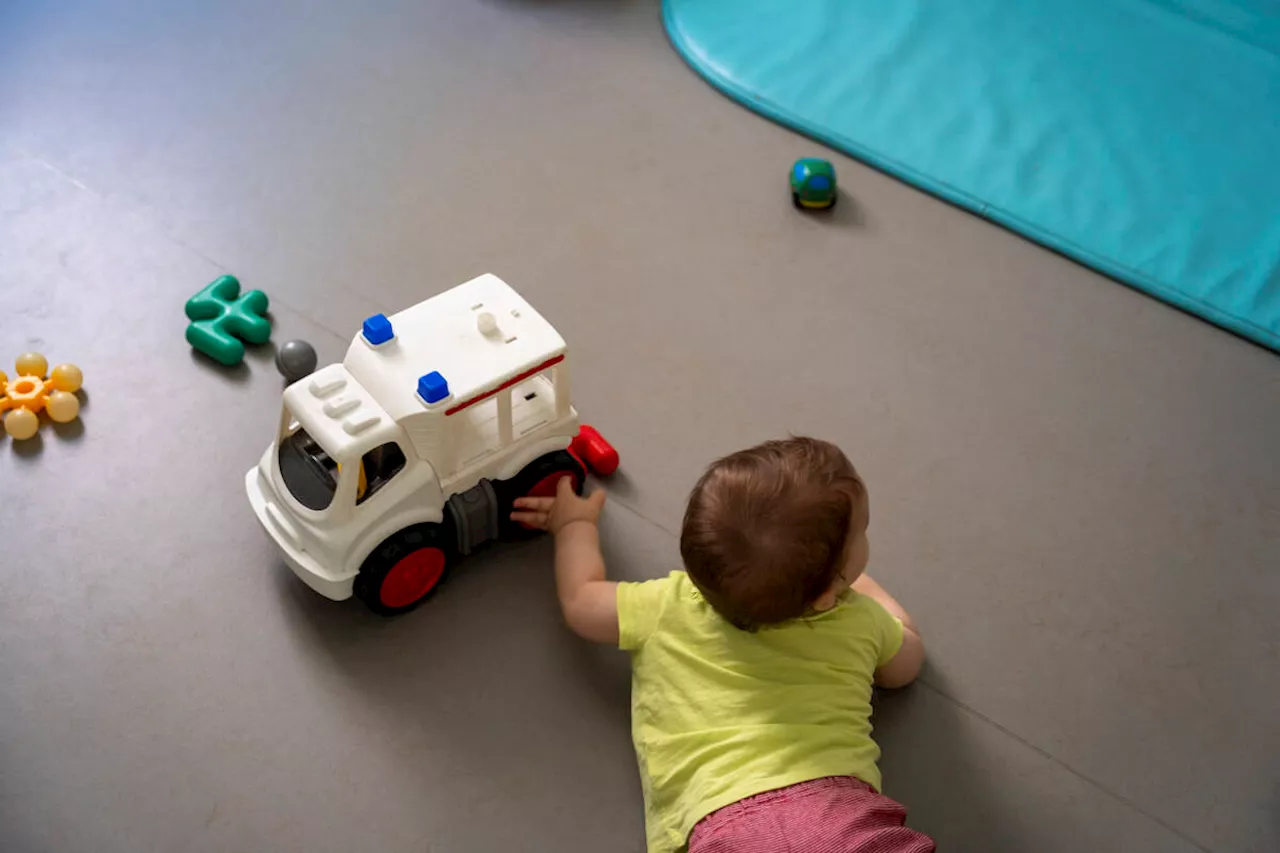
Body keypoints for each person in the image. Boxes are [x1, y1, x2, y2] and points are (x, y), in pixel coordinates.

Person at [511, 436, 934, 853]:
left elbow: (581, 599)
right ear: (827, 591)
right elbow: (906, 664)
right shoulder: (858, 619)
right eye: (861, 533)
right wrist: (864, 590)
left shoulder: (663, 606)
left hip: (722, 817)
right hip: (834, 814)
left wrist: (574, 526)